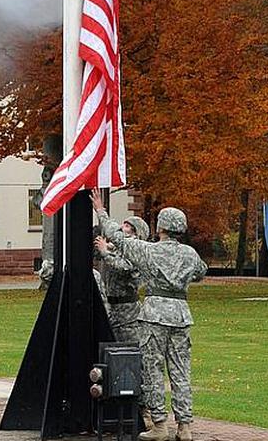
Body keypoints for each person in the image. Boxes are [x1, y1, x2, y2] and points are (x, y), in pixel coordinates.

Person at [91, 189, 207, 441]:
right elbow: (200, 272)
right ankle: (185, 427)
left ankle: (159, 425)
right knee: (180, 371)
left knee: (153, 370)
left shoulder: (149, 251)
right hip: (181, 315)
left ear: (162, 227)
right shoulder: (190, 253)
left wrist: (101, 211)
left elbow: (117, 238)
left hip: (154, 315)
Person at [94, 216, 149, 343]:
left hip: (128, 312)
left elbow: (124, 267)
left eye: (127, 226)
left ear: (136, 233)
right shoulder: (117, 248)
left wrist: (105, 252)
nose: (122, 228)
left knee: (129, 347)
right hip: (112, 307)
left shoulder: (137, 250)